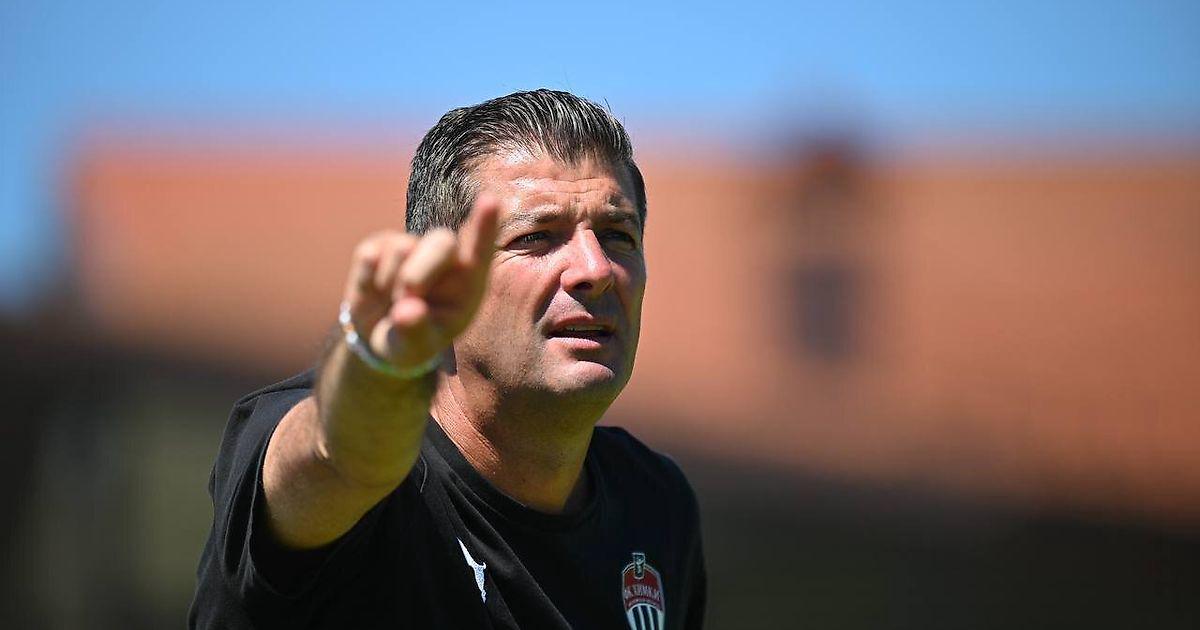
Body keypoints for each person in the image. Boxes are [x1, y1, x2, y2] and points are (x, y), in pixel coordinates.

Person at [190, 89, 706, 629]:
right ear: (444, 276)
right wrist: (376, 367)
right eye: (536, 236)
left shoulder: (657, 506)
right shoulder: (348, 463)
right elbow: (330, 459)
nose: (595, 269)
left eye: (618, 235)